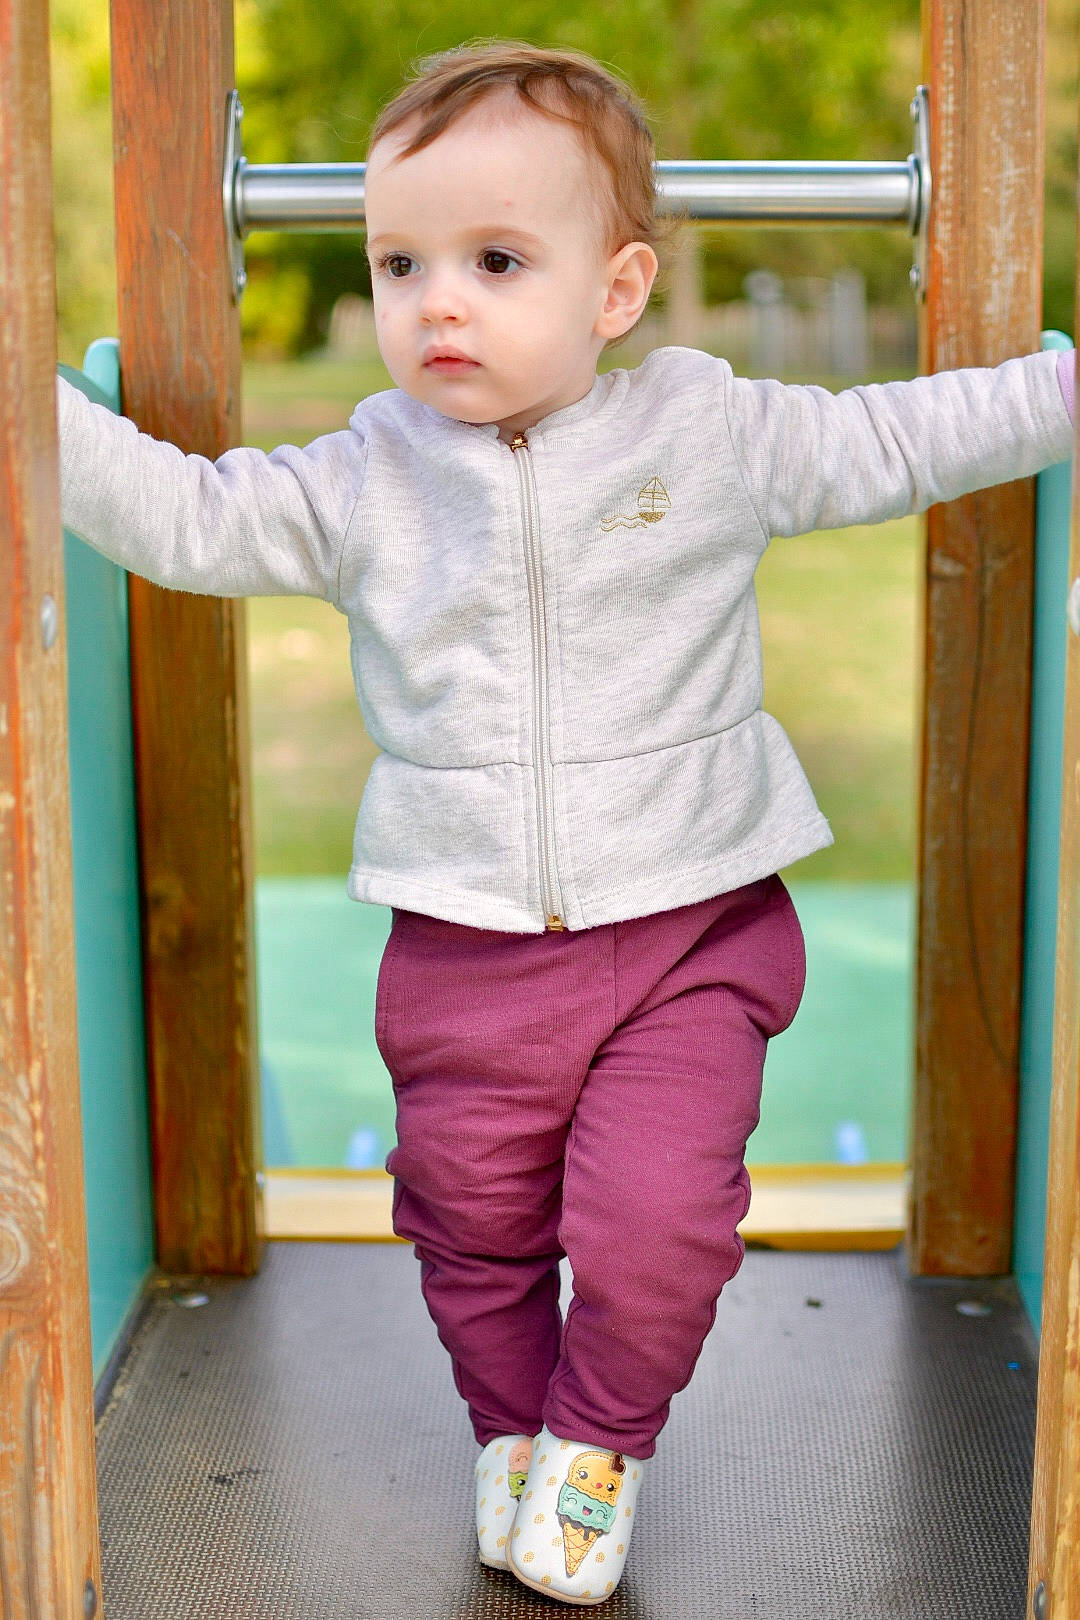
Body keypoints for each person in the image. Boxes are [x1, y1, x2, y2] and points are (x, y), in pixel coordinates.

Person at [56, 40, 1074, 1607]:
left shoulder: (706, 433)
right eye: (400, 264)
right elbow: (192, 521)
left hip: (689, 933)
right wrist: (32, 411)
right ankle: (512, 1429)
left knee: (659, 1225)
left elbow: (903, 437)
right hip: (464, 951)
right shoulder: (373, 475)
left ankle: (599, 1443)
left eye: (496, 261)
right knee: (469, 1226)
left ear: (617, 290)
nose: (436, 305)